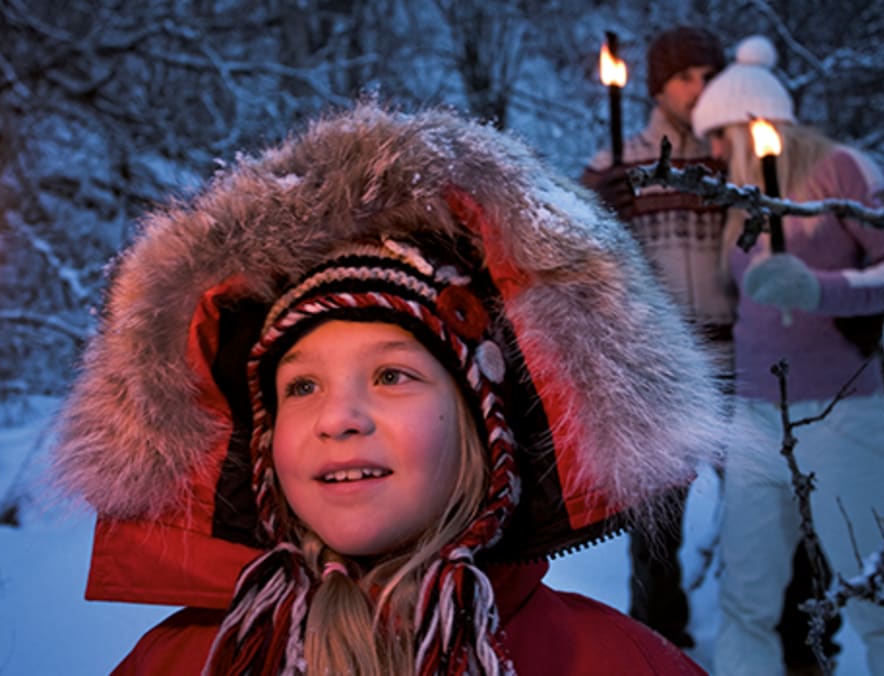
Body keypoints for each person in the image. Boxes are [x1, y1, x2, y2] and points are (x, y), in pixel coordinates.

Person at [52, 103, 730, 674]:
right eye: (302, 387)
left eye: (390, 375)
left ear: (483, 426)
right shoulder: (185, 663)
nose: (338, 418)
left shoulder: (608, 662)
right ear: (259, 445)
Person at [581, 28, 838, 668]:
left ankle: (805, 644)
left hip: (743, 361)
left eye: (708, 75)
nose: (699, 89)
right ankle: (660, 650)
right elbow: (573, 260)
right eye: (685, 77)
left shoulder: (740, 156)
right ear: (659, 86)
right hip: (659, 367)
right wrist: (594, 210)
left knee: (779, 510)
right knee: (654, 529)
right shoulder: (618, 162)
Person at [691, 36, 884, 676]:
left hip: (841, 414)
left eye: (717, 137)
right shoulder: (739, 200)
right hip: (753, 416)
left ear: (751, 127)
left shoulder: (842, 171)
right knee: (745, 599)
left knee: (880, 598)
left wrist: (821, 289)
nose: (711, 154)